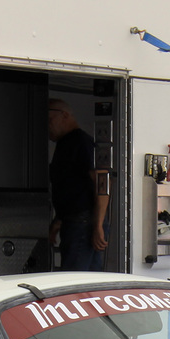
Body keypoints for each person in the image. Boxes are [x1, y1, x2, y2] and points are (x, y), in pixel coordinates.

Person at [47, 99, 108, 271]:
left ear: (64, 115)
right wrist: (58, 221)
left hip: (84, 223)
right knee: (84, 279)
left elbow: (102, 181)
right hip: (74, 221)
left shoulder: (81, 142)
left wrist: (97, 225)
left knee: (76, 280)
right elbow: (70, 187)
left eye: (49, 120)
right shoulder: (65, 144)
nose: (48, 127)